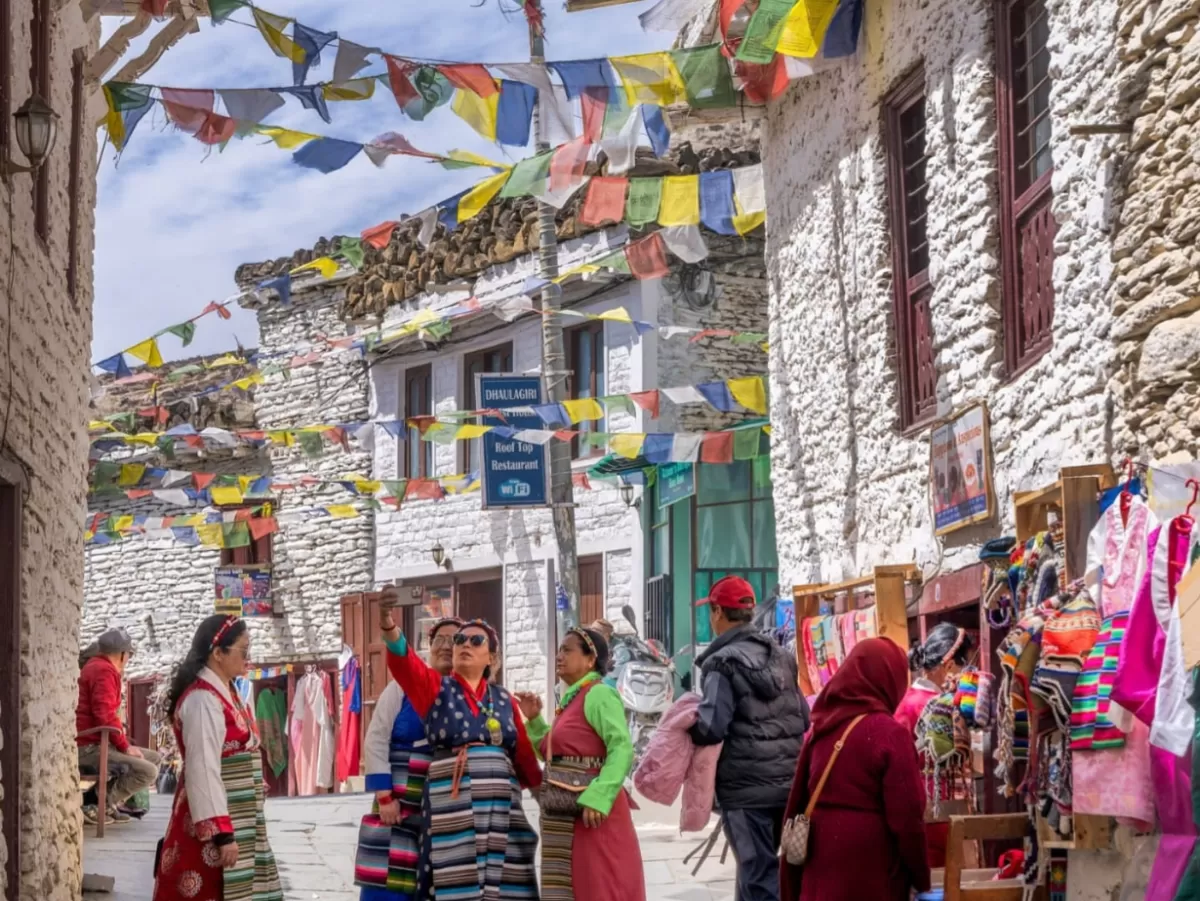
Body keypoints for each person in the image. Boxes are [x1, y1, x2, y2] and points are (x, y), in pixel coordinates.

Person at [380, 590, 542, 899]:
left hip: (500, 808)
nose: (465, 644)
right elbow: (405, 662)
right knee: (450, 875)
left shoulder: (504, 700)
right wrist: (388, 625)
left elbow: (523, 756)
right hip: (448, 804)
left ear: (491, 658)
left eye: (476, 641)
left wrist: (545, 797)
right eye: (460, 641)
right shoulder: (435, 688)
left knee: (505, 876)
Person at [780, 638, 930, 901]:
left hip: (819, 859)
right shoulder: (889, 733)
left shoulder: (823, 727)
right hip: (869, 867)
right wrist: (920, 876)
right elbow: (907, 818)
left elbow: (798, 800)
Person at [690, 576, 810, 901]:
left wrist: (688, 723)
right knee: (757, 873)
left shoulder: (721, 663)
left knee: (758, 877)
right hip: (788, 788)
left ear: (717, 612)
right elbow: (804, 717)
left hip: (745, 793)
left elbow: (711, 727)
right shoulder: (783, 658)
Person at [153, 615, 283, 901]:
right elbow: (203, 769)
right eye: (243, 650)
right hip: (210, 829)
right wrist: (222, 834)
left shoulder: (227, 690)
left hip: (240, 817)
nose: (248, 657)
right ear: (218, 653)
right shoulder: (202, 700)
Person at [517, 627, 645, 901]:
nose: (559, 656)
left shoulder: (598, 694)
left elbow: (621, 747)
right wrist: (535, 719)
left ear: (590, 660)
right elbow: (552, 751)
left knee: (599, 885)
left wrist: (600, 796)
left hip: (594, 813)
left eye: (567, 650)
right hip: (571, 810)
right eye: (559, 650)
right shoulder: (573, 698)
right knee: (578, 886)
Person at [355, 616, 462, 901]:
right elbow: (376, 738)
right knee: (389, 886)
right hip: (397, 808)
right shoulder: (400, 688)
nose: (445, 647)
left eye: (454, 641)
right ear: (428, 646)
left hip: (443, 813)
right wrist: (385, 797)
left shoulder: (468, 695)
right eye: (439, 640)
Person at [895, 623, 975, 869]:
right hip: (936, 807)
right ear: (949, 666)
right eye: (964, 667)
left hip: (924, 804)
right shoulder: (936, 705)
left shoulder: (906, 703)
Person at [77, 627, 161, 826]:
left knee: (154, 758)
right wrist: (124, 746)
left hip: (100, 742)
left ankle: (102, 802)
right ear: (122, 654)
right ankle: (95, 803)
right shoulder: (103, 671)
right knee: (148, 771)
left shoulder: (99, 667)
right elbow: (104, 715)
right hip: (90, 747)